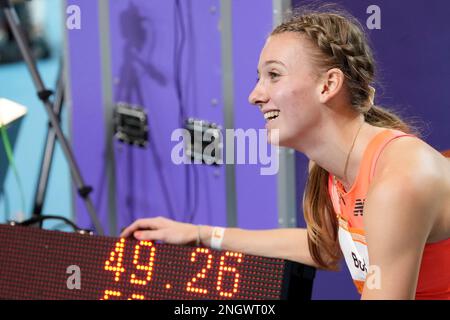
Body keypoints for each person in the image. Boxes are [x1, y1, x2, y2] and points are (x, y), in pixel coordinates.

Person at [121, 6, 450, 300]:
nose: (254, 95)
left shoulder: (398, 181)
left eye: (273, 75)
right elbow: (326, 245)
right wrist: (202, 235)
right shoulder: (332, 169)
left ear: (328, 85)